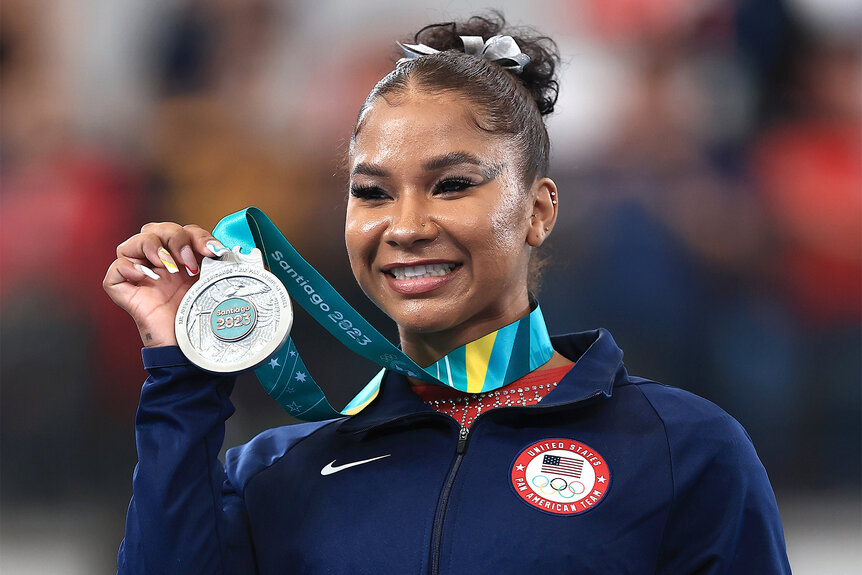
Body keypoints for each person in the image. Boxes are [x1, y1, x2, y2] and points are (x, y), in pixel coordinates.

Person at [104, 14, 791, 575]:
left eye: (452, 184)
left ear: (538, 210)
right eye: (371, 192)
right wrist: (182, 372)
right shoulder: (277, 473)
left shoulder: (683, 448)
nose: (405, 226)